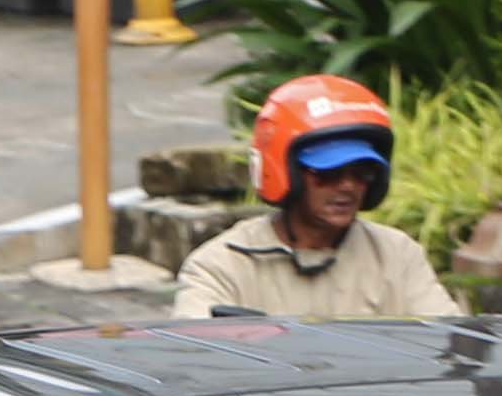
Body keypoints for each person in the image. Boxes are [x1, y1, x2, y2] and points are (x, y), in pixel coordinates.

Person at [171, 73, 461, 324]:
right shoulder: (222, 265)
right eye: (329, 172)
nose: (348, 186)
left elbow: (447, 343)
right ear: (286, 172)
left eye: (363, 172)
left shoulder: (396, 255)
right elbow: (199, 355)